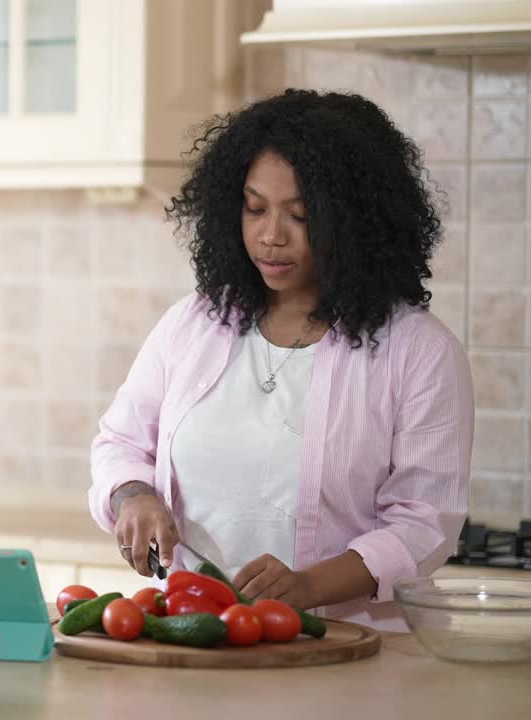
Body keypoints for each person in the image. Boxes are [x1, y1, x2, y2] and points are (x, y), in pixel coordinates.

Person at [88, 89, 474, 632]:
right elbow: (121, 443)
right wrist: (133, 497)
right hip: (204, 632)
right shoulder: (194, 322)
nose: (270, 236)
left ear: (357, 222)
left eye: (301, 215)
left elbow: (425, 523)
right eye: (255, 208)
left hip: (356, 649)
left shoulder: (418, 349)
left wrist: (308, 585)